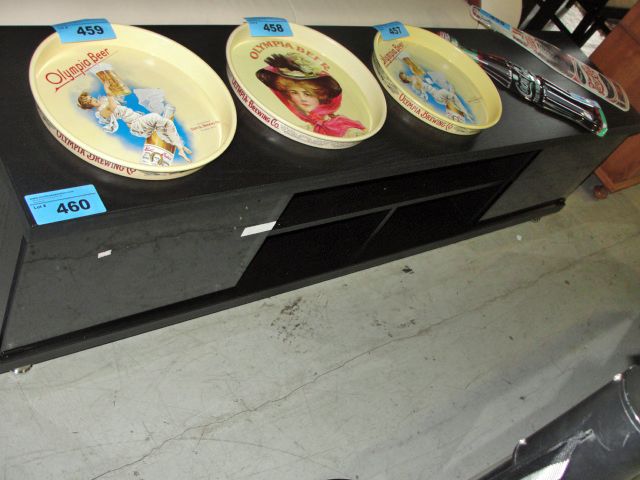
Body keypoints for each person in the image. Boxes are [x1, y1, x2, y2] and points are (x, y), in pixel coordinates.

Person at [77, 80, 192, 162]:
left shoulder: (105, 100)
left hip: (139, 119)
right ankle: (179, 146)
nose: (92, 99)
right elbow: (112, 107)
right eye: (89, 101)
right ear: (89, 106)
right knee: (156, 117)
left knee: (164, 126)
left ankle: (180, 147)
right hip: (136, 126)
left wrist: (113, 85)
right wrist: (107, 90)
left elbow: (118, 96)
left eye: (91, 97)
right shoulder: (102, 112)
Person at [256, 53, 366, 138]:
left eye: (307, 94)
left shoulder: (344, 126)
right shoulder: (309, 127)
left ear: (321, 95)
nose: (302, 99)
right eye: (294, 92)